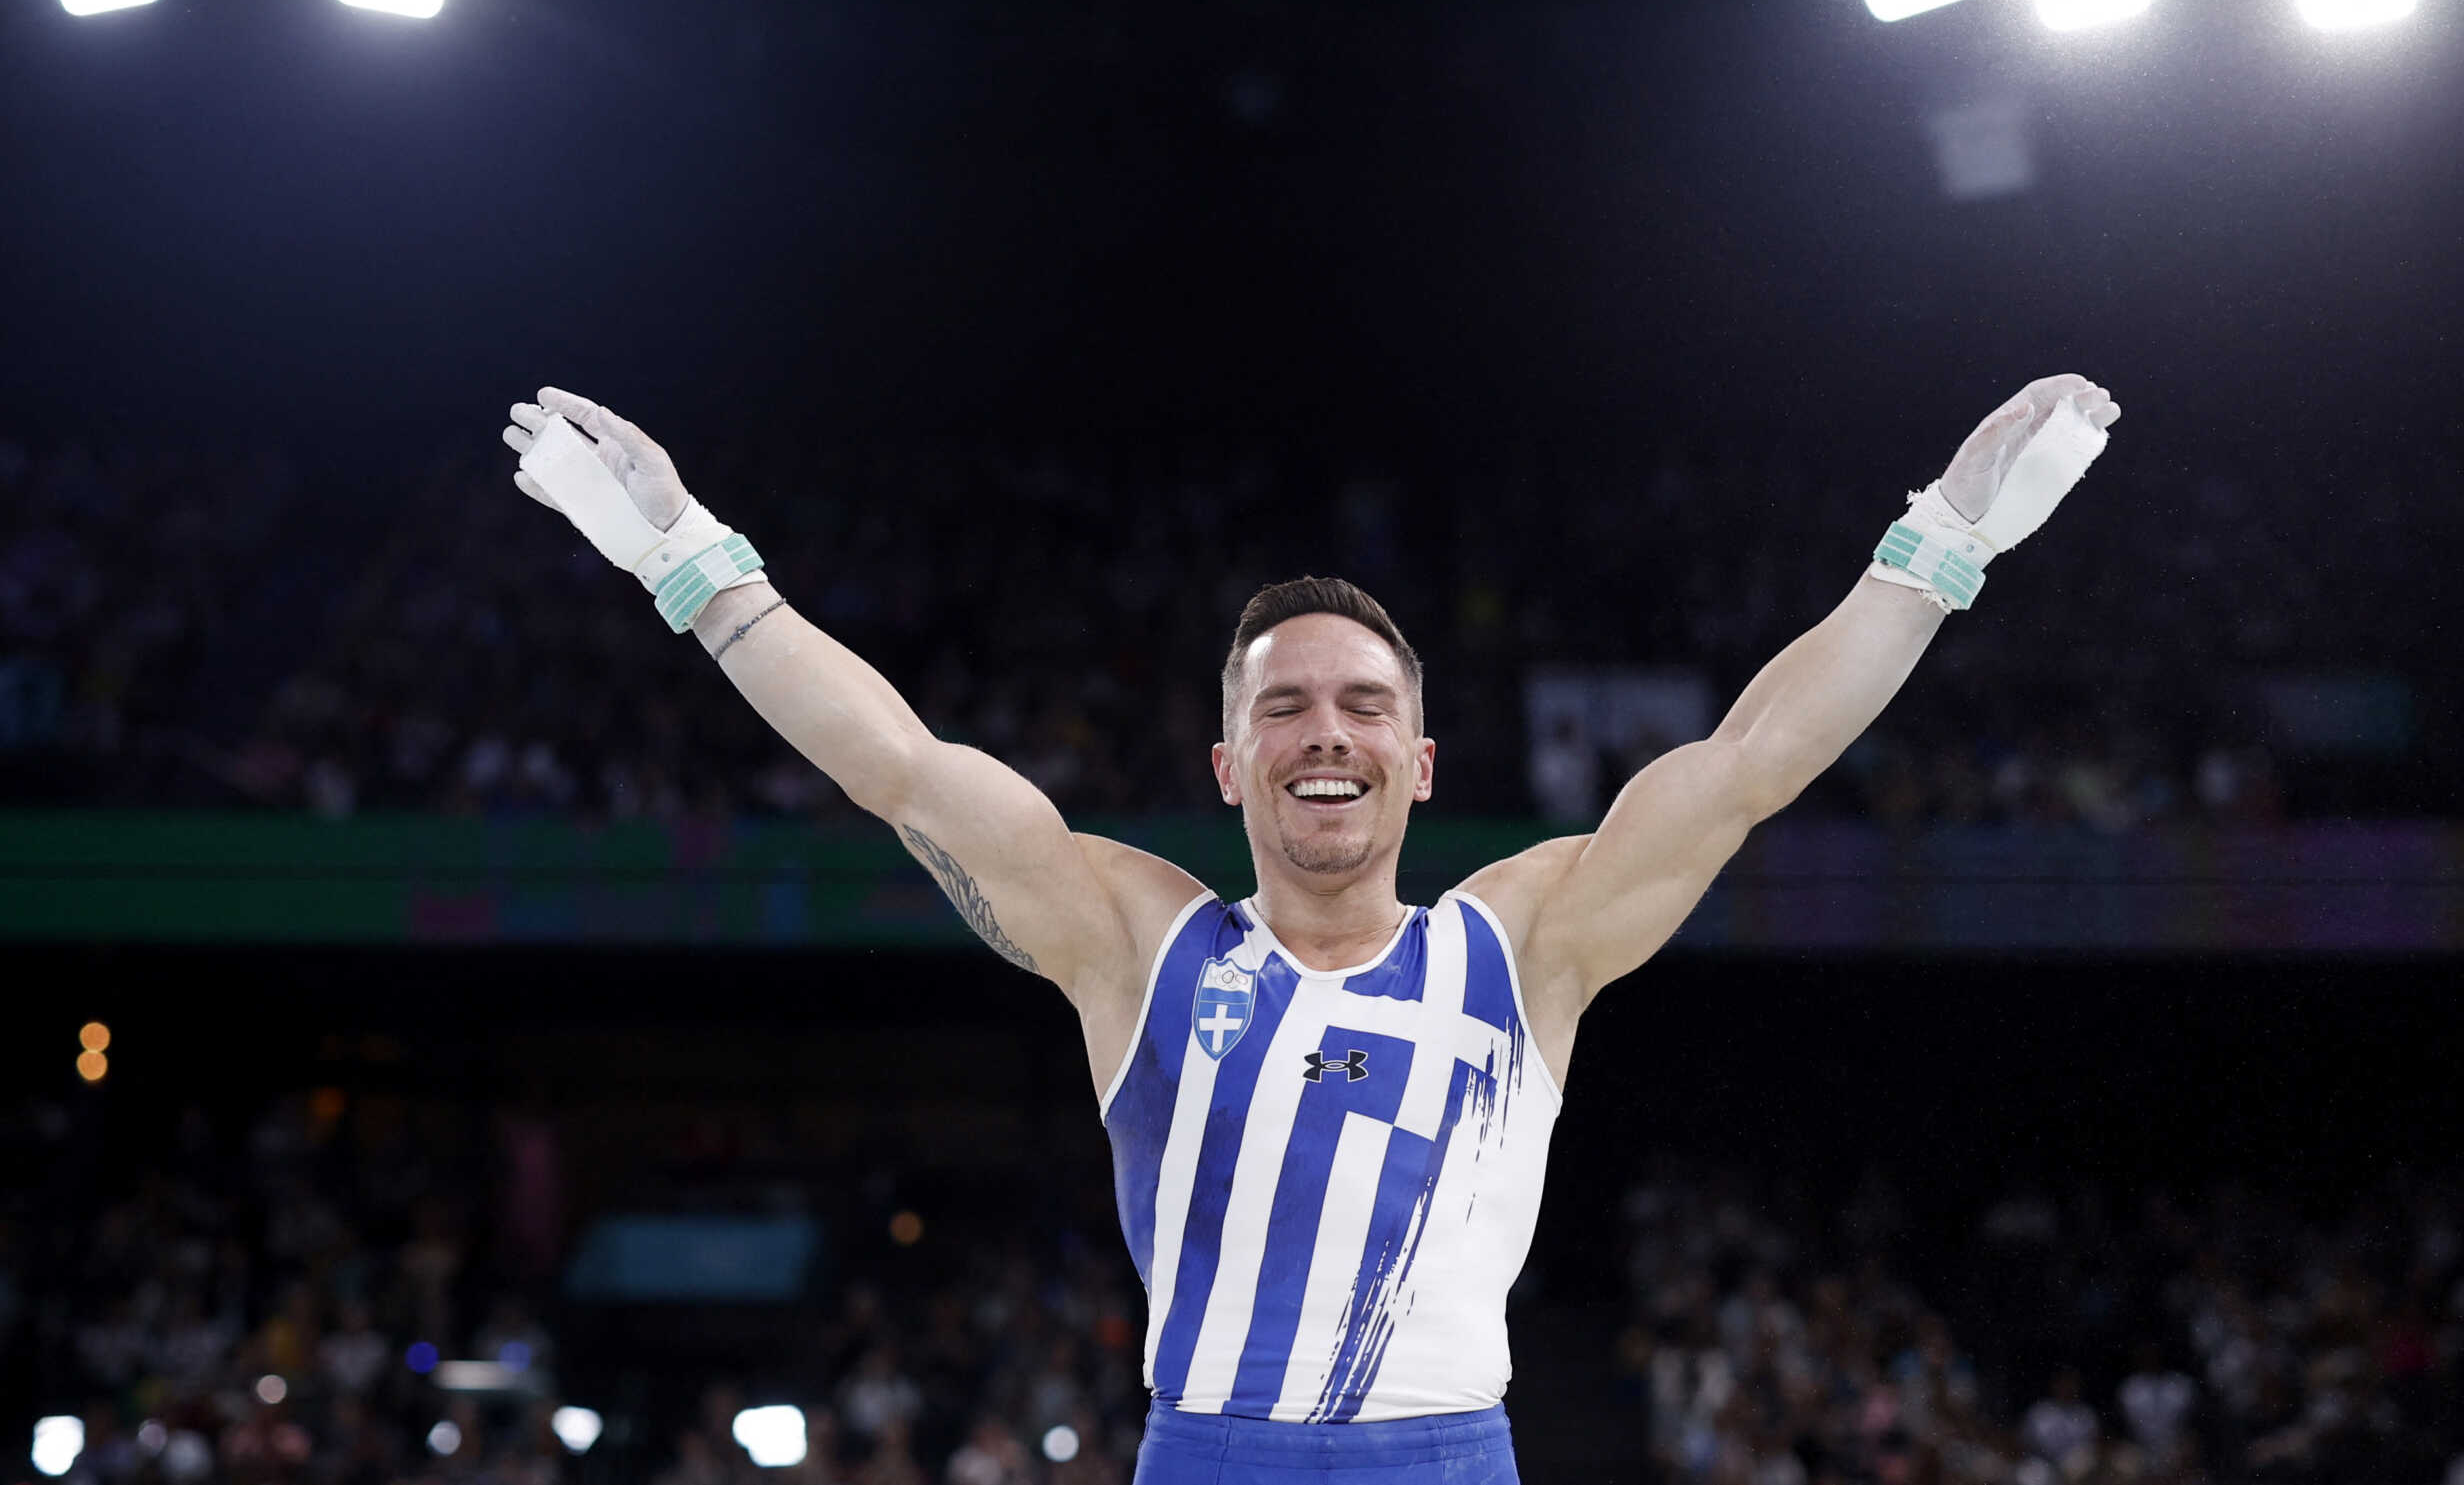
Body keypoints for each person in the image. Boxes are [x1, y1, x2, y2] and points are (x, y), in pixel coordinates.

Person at [500, 374, 2121, 1483]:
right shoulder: (1142, 942)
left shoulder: (1523, 942)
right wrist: (685, 556)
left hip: (1447, 1451)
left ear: (1421, 760)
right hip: (1205, 1449)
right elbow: (901, 766)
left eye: (1362, 704)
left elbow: (1753, 762)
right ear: (1228, 760)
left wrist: (1944, 546)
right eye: (1284, 707)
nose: (1323, 731)